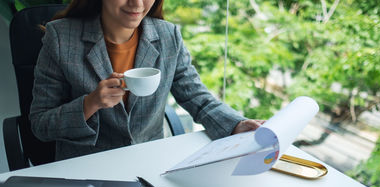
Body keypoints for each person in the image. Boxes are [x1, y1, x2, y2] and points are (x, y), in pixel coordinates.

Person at [30, 0, 264, 161]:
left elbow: (196, 96)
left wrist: (236, 125)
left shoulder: (167, 35)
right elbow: (40, 124)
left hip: (149, 163)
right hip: (87, 167)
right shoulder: (60, 38)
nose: (137, 4)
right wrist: (90, 103)